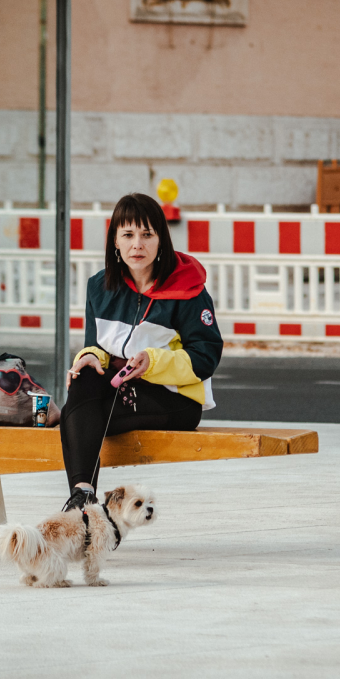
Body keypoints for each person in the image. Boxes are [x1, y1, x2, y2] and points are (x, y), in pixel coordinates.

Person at [59, 193, 223, 511]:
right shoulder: (100, 287)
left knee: (73, 415)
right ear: (115, 242)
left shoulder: (187, 290)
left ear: (161, 240)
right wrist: (89, 357)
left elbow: (206, 356)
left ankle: (82, 503)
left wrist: (153, 362)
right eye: (128, 235)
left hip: (175, 399)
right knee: (84, 380)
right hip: (121, 388)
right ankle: (82, 494)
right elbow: (97, 346)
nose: (138, 245)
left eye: (147, 234)